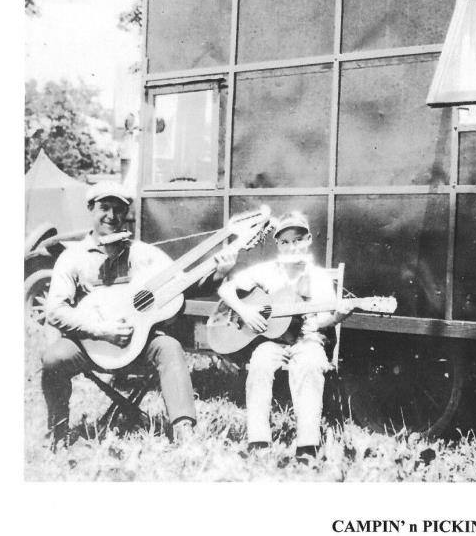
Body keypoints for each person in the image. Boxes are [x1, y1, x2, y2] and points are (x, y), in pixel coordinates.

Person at [40, 182, 238, 447]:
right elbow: (55, 310)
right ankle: (58, 432)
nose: (111, 216)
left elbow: (184, 287)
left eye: (118, 210)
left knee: (169, 347)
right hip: (90, 347)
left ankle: (184, 433)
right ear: (90, 209)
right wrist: (99, 330)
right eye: (104, 208)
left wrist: (218, 273)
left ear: (126, 213)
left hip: (139, 344)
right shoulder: (73, 257)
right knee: (54, 359)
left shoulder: (144, 254)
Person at [217, 212, 353, 460]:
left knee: (311, 365)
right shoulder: (267, 271)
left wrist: (338, 317)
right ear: (278, 244)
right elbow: (225, 289)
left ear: (309, 239)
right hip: (272, 341)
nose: (293, 247)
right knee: (259, 364)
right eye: (286, 242)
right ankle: (258, 442)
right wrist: (245, 311)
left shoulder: (319, 278)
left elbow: (323, 320)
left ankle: (307, 446)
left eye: (299, 240)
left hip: (308, 339)